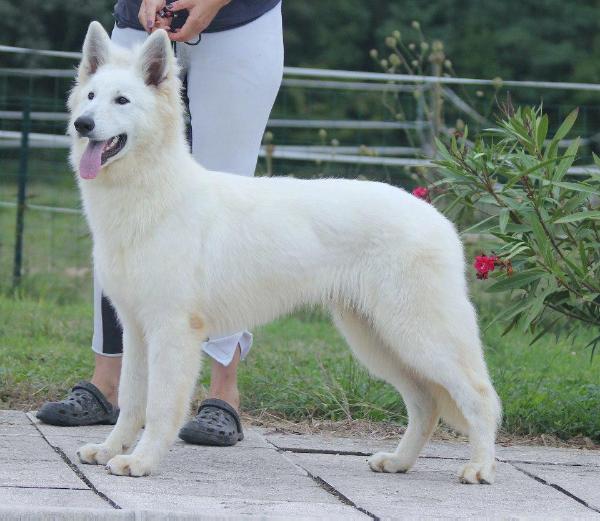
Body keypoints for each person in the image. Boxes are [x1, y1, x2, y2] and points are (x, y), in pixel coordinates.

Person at [36, 0, 284, 447]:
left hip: (240, 22)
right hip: (141, 18)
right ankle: (106, 386)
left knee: (228, 198)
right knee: (118, 217)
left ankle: (222, 394)